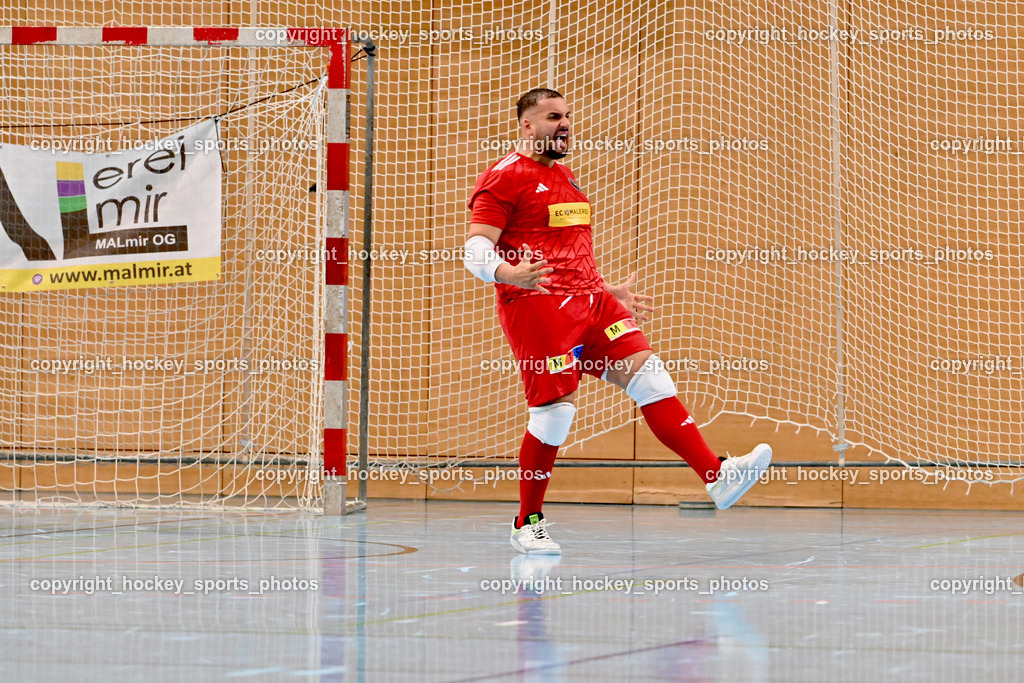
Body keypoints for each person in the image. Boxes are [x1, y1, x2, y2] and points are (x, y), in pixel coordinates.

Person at [464, 88, 771, 555]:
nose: (564, 124)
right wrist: (509, 274)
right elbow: (475, 250)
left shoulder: (565, 176)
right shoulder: (504, 178)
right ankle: (527, 521)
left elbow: (565, 249)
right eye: (552, 117)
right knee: (555, 414)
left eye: (567, 116)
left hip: (592, 304)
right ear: (527, 126)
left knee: (651, 377)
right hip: (538, 307)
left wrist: (607, 290)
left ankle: (717, 476)